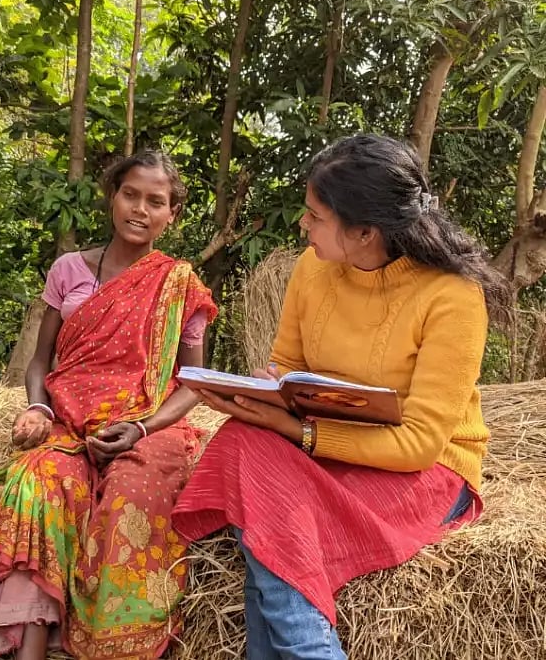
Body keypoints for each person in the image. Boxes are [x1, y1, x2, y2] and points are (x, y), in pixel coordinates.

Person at [171, 134, 507, 659]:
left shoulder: (452, 297)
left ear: (365, 232)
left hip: (424, 472)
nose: (303, 226)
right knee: (241, 442)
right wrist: (266, 391)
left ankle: (313, 651)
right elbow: (289, 366)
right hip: (329, 449)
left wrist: (293, 429)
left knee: (267, 520)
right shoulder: (313, 268)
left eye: (315, 216)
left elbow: (417, 445)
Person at [0, 151, 219, 659]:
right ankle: (30, 643)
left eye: (155, 201)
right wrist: (38, 408)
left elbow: (194, 382)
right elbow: (40, 361)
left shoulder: (179, 284)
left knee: (129, 490)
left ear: (172, 214)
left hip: (146, 423)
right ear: (112, 197)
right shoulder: (68, 269)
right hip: (67, 421)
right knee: (38, 485)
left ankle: (112, 644)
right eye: (130, 194)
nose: (140, 209)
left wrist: (141, 427)